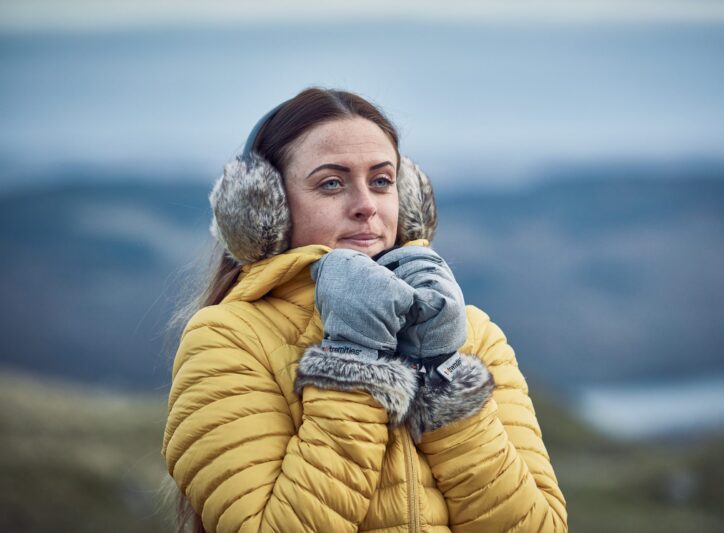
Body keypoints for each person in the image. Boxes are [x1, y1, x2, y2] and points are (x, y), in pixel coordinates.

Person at [162, 87, 567, 533]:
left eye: (381, 180)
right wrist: (352, 358)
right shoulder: (227, 338)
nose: (366, 207)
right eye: (331, 183)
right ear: (265, 209)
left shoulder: (472, 334)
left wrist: (443, 375)